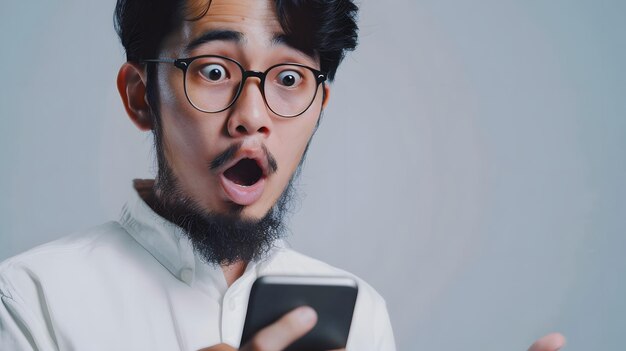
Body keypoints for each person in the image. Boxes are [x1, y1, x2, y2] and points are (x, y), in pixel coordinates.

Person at [0, 0, 565, 350]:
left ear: (321, 106)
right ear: (140, 95)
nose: (253, 116)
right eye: (214, 70)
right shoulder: (29, 300)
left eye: (290, 78)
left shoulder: (357, 313)